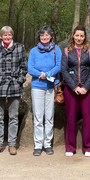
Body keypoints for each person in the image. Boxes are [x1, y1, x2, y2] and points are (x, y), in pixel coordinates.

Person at [0, 26, 27, 155]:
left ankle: (12, 144)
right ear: (0, 36)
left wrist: (20, 80)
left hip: (14, 85)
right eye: (5, 35)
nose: (7, 37)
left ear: (12, 36)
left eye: (9, 35)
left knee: (13, 116)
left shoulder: (20, 48)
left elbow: (23, 67)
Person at [61, 25, 90, 157]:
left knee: (88, 118)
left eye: (81, 36)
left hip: (87, 89)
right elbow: (64, 71)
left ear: (85, 37)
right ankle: (70, 147)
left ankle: (89, 147)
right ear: (73, 36)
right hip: (71, 89)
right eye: (77, 35)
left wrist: (85, 87)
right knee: (71, 118)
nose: (79, 38)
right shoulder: (66, 51)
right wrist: (74, 87)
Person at [28, 25, 62, 156]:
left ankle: (47, 144)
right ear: (39, 37)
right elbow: (30, 68)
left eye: (47, 35)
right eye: (42, 35)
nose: (45, 37)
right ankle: (38, 144)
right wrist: (41, 75)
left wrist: (47, 74)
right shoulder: (33, 51)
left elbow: (58, 66)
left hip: (51, 86)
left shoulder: (56, 49)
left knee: (49, 116)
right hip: (37, 86)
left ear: (51, 36)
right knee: (38, 116)